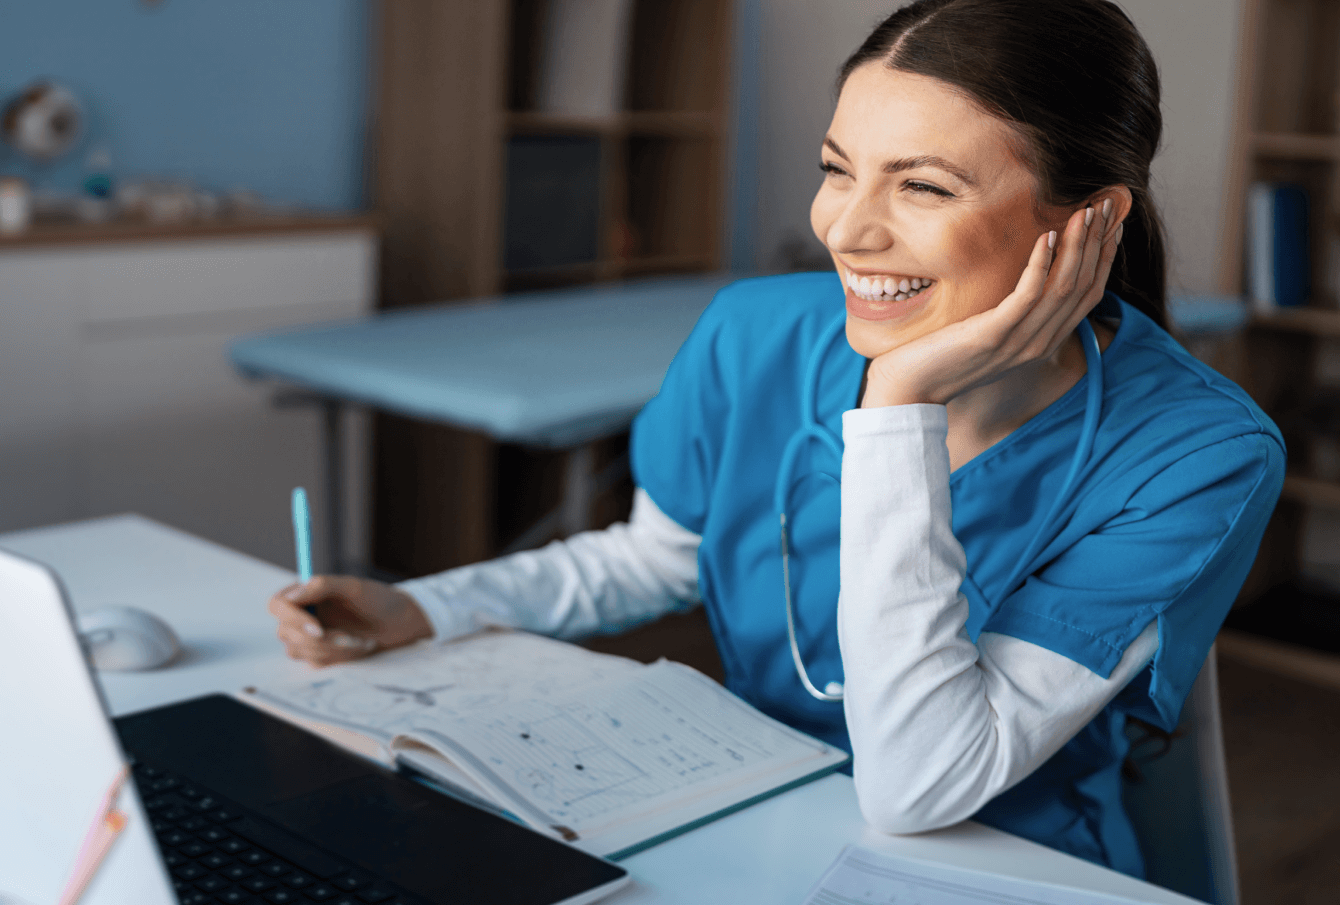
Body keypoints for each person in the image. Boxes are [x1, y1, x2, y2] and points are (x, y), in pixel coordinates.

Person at [269, 0, 1284, 879]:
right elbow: (653, 558)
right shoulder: (753, 334)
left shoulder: (1195, 454)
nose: (848, 229)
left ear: (1090, 221)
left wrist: (897, 413)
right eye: (838, 170)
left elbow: (919, 783)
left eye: (923, 186)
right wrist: (425, 605)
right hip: (745, 821)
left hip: (998, 867)